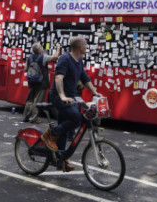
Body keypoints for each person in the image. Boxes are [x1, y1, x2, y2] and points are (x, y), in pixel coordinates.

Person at [41, 36, 100, 172]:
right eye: (85, 45)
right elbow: (58, 78)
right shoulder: (65, 59)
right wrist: (62, 96)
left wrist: (95, 92)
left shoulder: (78, 60)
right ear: (80, 47)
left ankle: (61, 159)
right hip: (58, 97)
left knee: (66, 128)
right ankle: (50, 134)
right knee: (77, 119)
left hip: (71, 98)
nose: (87, 47)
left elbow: (84, 77)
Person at [22, 42, 61, 123]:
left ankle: (25, 117)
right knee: (38, 101)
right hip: (41, 83)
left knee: (30, 100)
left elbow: (25, 69)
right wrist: (58, 48)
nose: (42, 48)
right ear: (39, 50)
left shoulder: (29, 58)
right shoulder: (43, 57)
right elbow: (55, 57)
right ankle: (34, 119)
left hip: (31, 81)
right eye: (41, 47)